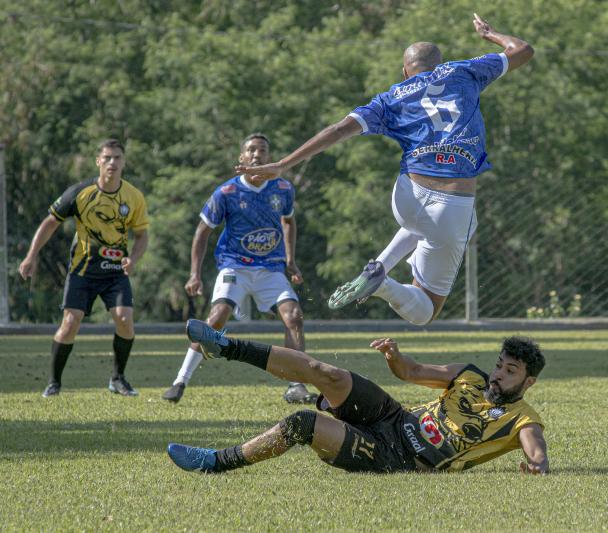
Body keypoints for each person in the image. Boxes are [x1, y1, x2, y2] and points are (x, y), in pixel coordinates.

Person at [236, 14, 534, 325]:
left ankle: (378, 266)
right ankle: (383, 284)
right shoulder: (464, 71)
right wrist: (489, 34)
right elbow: (523, 50)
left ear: (405, 71)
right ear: (440, 63)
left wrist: (283, 164)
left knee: (433, 225)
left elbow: (338, 129)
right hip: (451, 205)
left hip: (407, 196)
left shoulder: (391, 98)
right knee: (425, 312)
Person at [166, 319, 548, 475]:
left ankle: (215, 462)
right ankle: (226, 346)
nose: (498, 374)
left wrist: (537, 466)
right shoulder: (468, 375)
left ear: (528, 381)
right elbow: (412, 372)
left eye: (510, 371)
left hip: (398, 458)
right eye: (499, 365)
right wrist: (394, 356)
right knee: (327, 374)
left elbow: (536, 451)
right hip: (394, 417)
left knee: (303, 424)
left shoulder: (522, 419)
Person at [162, 133, 316, 405]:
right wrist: (194, 273)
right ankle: (180, 380)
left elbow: (289, 221)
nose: (257, 154)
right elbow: (202, 231)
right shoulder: (227, 192)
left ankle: (296, 385)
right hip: (235, 265)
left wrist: (290, 260)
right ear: (241, 157)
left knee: (294, 316)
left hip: (270, 268)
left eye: (262, 150)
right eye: (251, 150)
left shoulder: (283, 188)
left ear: (269, 157)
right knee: (217, 318)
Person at [19, 139, 149, 397]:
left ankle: (118, 379)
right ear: (98, 161)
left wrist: (133, 259)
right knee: (70, 323)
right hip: (83, 271)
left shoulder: (134, 196)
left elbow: (142, 235)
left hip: (115, 273)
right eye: (107, 157)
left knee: (125, 320)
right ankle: (54, 383)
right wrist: (31, 256)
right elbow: (50, 222)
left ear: (124, 162)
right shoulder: (80, 192)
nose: (112, 162)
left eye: (117, 158)